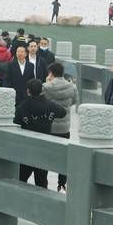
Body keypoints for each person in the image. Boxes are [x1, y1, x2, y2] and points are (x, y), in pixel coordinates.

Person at [13, 79, 67, 190]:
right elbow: (63, 112)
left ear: (28, 91)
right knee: (41, 182)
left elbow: (15, 124)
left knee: (20, 180)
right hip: (43, 149)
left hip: (26, 149)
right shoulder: (50, 105)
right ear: (41, 90)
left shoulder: (22, 107)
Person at [42, 62, 76, 191]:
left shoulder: (46, 86)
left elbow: (41, 100)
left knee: (45, 155)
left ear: (51, 73)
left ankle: (43, 181)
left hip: (49, 126)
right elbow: (74, 101)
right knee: (63, 155)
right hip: (64, 127)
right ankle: (62, 182)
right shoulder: (72, 87)